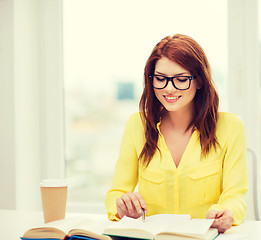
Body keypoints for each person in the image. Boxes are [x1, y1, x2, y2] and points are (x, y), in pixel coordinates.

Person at [105, 34, 248, 233]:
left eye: (181, 79)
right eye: (161, 79)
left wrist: (227, 212)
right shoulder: (137, 125)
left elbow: (236, 195)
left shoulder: (230, 127)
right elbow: (116, 193)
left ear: (199, 81)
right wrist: (121, 207)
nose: (169, 89)